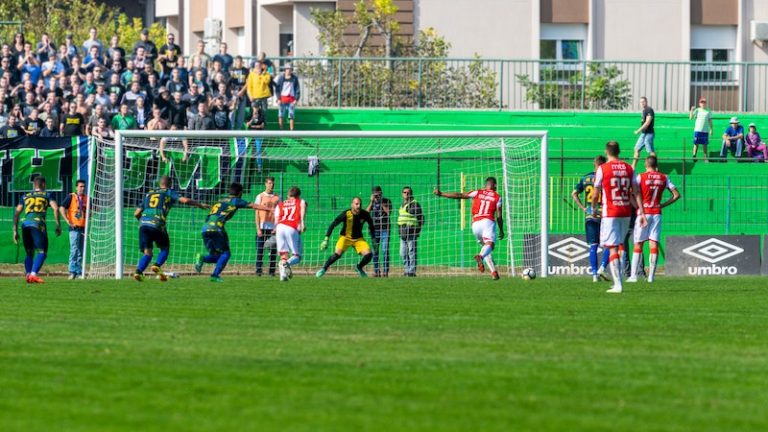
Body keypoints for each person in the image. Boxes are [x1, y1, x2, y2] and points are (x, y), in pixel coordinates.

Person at [590, 141, 646, 294]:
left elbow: (595, 194)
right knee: (621, 245)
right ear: (619, 151)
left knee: (612, 247)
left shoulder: (602, 168)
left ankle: (618, 285)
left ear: (606, 152)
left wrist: (593, 208)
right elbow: (636, 192)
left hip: (611, 212)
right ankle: (618, 280)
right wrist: (641, 212)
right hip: (626, 212)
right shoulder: (629, 168)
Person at [193, 183, 273, 282]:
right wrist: (270, 209)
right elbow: (253, 205)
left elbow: (217, 210)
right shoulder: (235, 200)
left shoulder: (221, 199)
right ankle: (215, 275)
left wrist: (207, 206)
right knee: (226, 254)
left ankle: (202, 258)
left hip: (205, 228)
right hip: (217, 228)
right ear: (240, 193)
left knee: (217, 256)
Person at [133, 176, 207, 282]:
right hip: (157, 224)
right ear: (170, 184)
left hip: (143, 225)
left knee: (147, 253)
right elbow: (185, 200)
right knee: (164, 248)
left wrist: (144, 222)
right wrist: (199, 204)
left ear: (159, 183)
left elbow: (136, 213)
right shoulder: (168, 192)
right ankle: (157, 265)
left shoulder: (149, 194)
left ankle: (138, 272)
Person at [434, 177, 505, 280]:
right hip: (487, 222)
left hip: (475, 224)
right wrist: (501, 230)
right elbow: (499, 216)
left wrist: (441, 194)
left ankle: (494, 272)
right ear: (494, 185)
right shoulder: (497, 197)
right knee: (490, 245)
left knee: (485, 248)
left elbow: (459, 195)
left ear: (486, 185)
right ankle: (480, 257)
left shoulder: (477, 192)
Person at [627, 156, 680, 284]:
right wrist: (662, 205)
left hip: (643, 212)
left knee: (638, 243)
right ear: (656, 165)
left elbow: (630, 192)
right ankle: (651, 277)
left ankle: (633, 276)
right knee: (653, 243)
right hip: (656, 212)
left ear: (646, 164)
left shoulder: (641, 177)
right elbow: (677, 195)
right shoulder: (664, 177)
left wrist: (636, 206)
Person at [13, 176, 62, 283]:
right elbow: (56, 208)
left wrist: (15, 231)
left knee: (29, 252)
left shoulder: (25, 196)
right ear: (43, 184)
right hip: (38, 224)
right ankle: (34, 274)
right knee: (42, 252)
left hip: (25, 225)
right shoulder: (47, 195)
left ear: (34, 185)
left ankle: (28, 275)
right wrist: (58, 225)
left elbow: (16, 214)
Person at [571, 155, 611, 282]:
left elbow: (574, 194)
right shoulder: (605, 178)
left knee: (593, 245)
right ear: (603, 165)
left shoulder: (585, 177)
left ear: (594, 164)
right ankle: (602, 268)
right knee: (609, 245)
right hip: (603, 215)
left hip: (589, 215)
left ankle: (594, 274)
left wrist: (583, 208)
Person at [316, 197, 375, 278]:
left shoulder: (364, 214)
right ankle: (324, 268)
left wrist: (373, 239)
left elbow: (371, 226)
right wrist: (326, 239)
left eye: (360, 204)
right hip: (345, 237)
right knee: (337, 254)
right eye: (356, 204)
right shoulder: (346, 214)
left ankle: (359, 267)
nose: (358, 206)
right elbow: (333, 224)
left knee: (369, 254)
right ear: (352, 205)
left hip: (358, 239)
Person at [274, 187, 307, 282]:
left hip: (280, 227)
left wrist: (275, 229)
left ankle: (283, 276)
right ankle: (287, 263)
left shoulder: (280, 204)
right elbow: (302, 210)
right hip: (291, 227)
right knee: (297, 256)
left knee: (283, 254)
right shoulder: (300, 202)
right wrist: (302, 224)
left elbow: (276, 220)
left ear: (288, 195)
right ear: (298, 195)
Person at [58, 179, 88, 279]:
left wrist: (88, 215)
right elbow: (61, 207)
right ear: (76, 187)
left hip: (83, 227)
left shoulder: (86, 198)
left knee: (80, 251)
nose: (82, 188)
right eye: (80, 186)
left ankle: (78, 272)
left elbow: (93, 210)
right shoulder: (71, 196)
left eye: (83, 186)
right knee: (74, 250)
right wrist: (68, 221)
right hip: (74, 227)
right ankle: (72, 271)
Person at [254, 177, 280, 277]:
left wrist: (276, 227)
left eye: (272, 184)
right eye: (269, 183)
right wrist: (258, 228)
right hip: (262, 227)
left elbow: (279, 213)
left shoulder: (277, 197)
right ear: (265, 184)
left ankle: (272, 272)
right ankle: (258, 271)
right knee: (260, 250)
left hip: (273, 228)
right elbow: (256, 213)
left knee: (273, 251)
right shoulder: (260, 196)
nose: (271, 185)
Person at [397, 186, 424, 277]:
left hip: (411, 232)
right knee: (403, 253)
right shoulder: (402, 205)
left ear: (411, 194)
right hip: (402, 233)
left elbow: (421, 218)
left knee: (412, 252)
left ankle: (411, 271)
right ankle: (407, 269)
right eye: (404, 192)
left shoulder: (414, 204)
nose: (406, 194)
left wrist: (418, 230)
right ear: (402, 194)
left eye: (408, 192)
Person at [366, 186, 392, 277]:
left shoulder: (387, 201)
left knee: (385, 250)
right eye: (375, 194)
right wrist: (372, 201)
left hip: (385, 229)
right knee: (375, 251)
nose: (377, 195)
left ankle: (385, 271)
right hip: (374, 230)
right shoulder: (372, 203)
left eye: (379, 193)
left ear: (381, 193)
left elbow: (388, 212)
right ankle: (376, 271)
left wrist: (381, 201)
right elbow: (366, 213)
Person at [632, 96, 656, 169]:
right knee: (636, 149)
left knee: (650, 151)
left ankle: (655, 167)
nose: (642, 103)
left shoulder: (649, 110)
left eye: (643, 101)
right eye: (641, 102)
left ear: (646, 102)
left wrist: (638, 131)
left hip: (649, 134)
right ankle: (633, 167)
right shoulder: (643, 111)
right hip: (644, 134)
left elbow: (647, 122)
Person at [275, 64, 300, 131]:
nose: (288, 70)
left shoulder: (294, 78)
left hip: (291, 100)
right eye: (287, 69)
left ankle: (291, 130)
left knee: (291, 115)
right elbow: (277, 89)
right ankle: (281, 129)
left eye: (290, 69)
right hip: (282, 99)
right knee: (281, 114)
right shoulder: (281, 78)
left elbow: (297, 89)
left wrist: (296, 99)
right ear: (285, 70)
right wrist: (278, 99)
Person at [689, 97, 713, 162]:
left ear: (706, 103)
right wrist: (691, 110)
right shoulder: (697, 110)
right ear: (699, 104)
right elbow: (691, 118)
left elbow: (710, 121)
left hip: (705, 131)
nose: (703, 104)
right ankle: (694, 156)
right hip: (697, 130)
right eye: (701, 102)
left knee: (704, 145)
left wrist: (711, 129)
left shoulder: (708, 111)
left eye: (704, 102)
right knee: (696, 144)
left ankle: (705, 158)